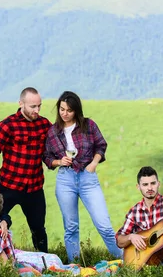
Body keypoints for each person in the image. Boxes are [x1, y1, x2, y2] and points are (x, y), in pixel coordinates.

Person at [43, 91, 122, 262]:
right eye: (62, 109)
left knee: (104, 224)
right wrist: (59, 162)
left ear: (76, 111)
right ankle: (76, 266)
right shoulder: (53, 132)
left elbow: (101, 145)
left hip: (88, 177)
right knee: (71, 227)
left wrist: (93, 164)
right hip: (65, 179)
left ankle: (126, 260)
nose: (64, 113)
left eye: (69, 110)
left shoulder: (89, 125)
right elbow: (46, 157)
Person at [0, 87, 52, 252]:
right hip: (8, 186)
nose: (37, 110)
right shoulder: (7, 125)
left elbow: (51, 151)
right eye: (32, 107)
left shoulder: (44, 124)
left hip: (34, 188)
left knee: (38, 229)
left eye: (39, 106)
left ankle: (45, 263)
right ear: (21, 103)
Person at [116, 166, 163, 263]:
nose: (150, 188)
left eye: (153, 183)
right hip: (144, 266)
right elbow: (119, 240)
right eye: (145, 184)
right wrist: (130, 237)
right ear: (138, 187)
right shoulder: (134, 212)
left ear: (158, 184)